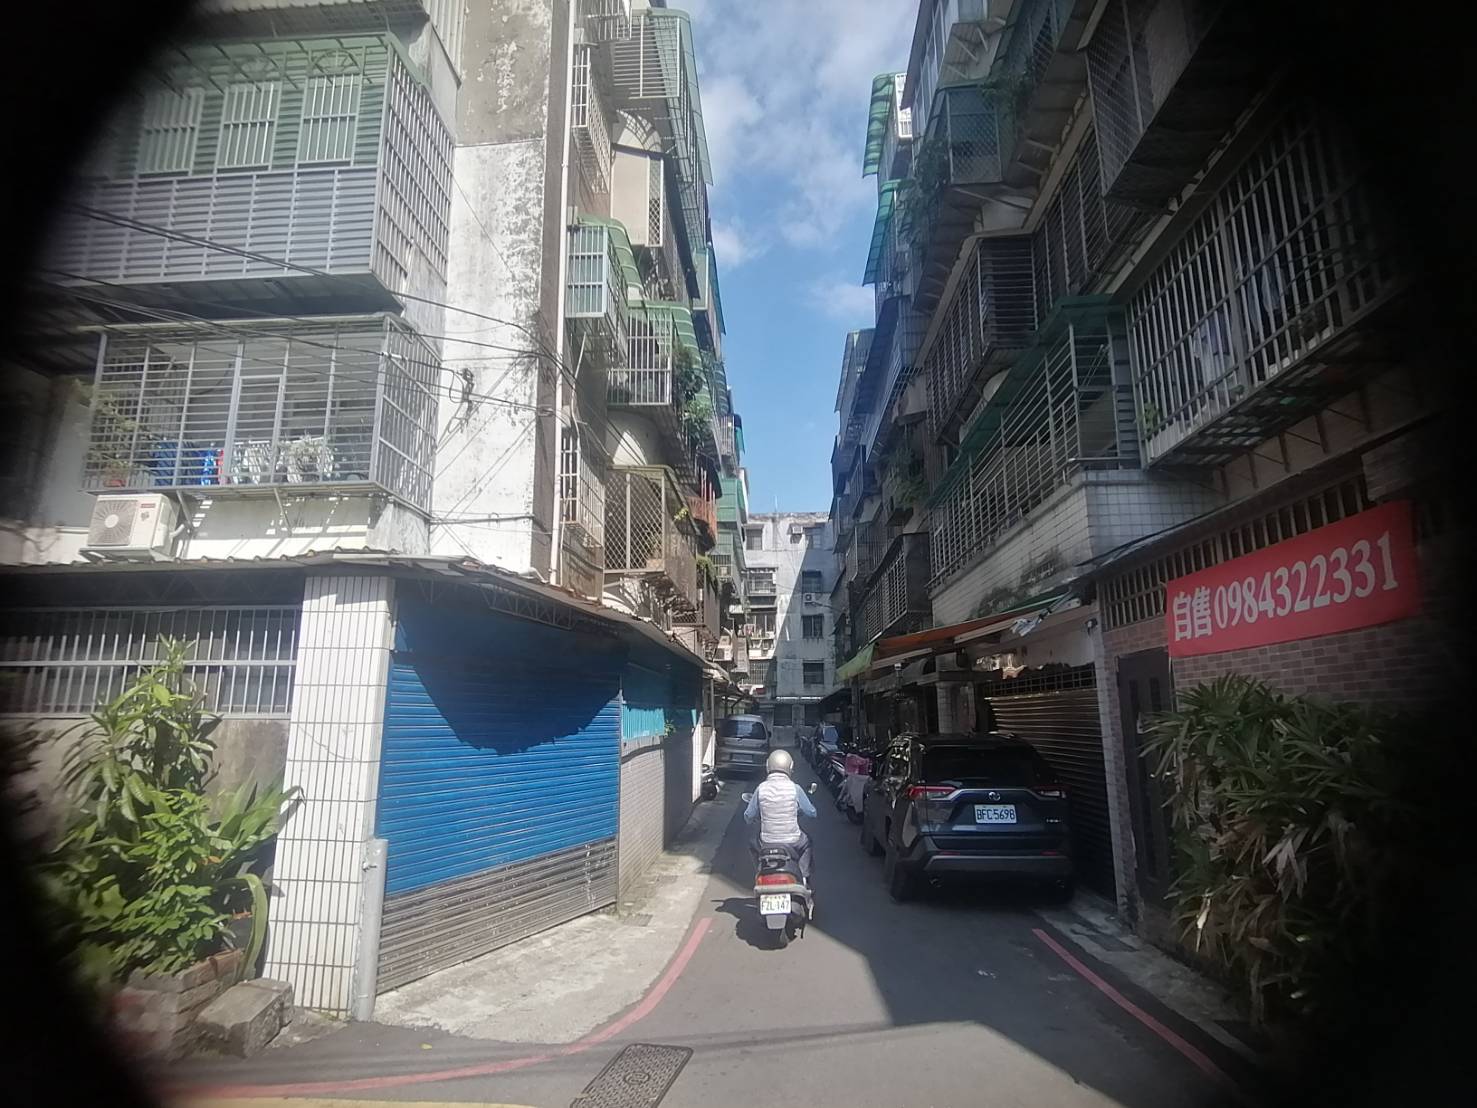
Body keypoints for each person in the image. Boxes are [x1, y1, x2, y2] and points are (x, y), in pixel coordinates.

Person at [744, 749, 816, 886]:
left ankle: (760, 872)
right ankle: (804, 877)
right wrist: (800, 810)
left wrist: (755, 818)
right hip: (793, 841)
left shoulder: (760, 788)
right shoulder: (795, 788)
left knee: (752, 844)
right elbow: (812, 813)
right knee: (807, 843)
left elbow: (748, 816)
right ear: (790, 767)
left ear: (768, 766)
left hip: (766, 842)